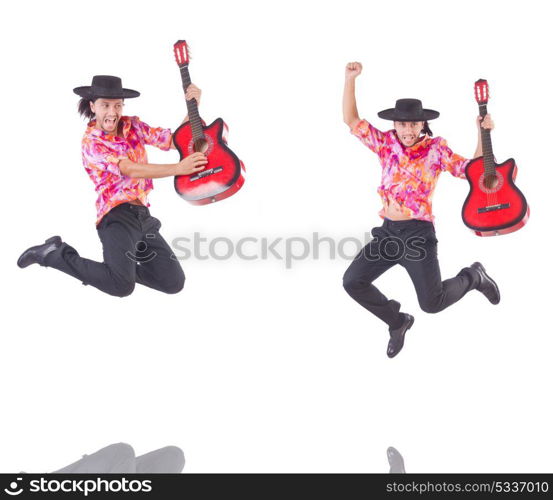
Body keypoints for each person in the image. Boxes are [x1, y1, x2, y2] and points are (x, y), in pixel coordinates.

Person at [342, 62, 500, 358]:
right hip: (388, 234)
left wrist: (482, 133)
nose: (407, 130)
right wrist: (350, 79)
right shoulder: (386, 144)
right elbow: (350, 119)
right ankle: (398, 321)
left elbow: (473, 169)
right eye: (402, 124)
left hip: (417, 236)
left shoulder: (436, 149)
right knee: (352, 281)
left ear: (422, 125)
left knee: (432, 303)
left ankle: (473, 276)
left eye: (413, 124)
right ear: (395, 125)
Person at [17, 75, 208, 297]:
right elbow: (129, 168)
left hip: (143, 217)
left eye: (117, 105)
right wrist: (178, 168)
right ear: (92, 106)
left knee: (173, 282)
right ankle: (53, 254)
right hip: (116, 217)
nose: (112, 112)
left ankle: (118, 268)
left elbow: (175, 140)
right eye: (105, 105)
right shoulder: (92, 142)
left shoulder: (133, 125)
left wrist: (194, 106)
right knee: (121, 286)